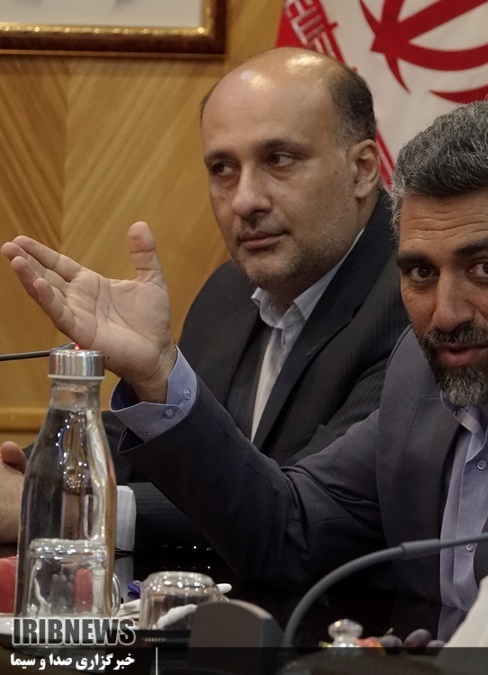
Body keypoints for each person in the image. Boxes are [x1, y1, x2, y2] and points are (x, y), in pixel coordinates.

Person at [2, 98, 488, 608]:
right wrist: (156, 372)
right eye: (419, 273)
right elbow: (288, 528)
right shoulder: (426, 364)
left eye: (485, 268)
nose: (445, 313)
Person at [0, 47, 409, 550]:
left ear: (363, 169)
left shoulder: (415, 303)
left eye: (279, 160)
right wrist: (33, 472)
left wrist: (56, 507)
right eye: (222, 168)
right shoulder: (229, 290)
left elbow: (292, 512)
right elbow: (171, 450)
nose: (245, 200)